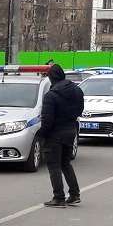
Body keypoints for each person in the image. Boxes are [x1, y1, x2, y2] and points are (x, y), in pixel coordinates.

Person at [39, 63, 83, 207]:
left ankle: (58, 197)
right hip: (70, 131)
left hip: (54, 134)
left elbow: (47, 120)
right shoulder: (77, 91)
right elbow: (80, 110)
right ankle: (75, 194)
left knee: (54, 165)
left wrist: (42, 135)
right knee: (65, 163)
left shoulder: (51, 96)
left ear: (51, 78)